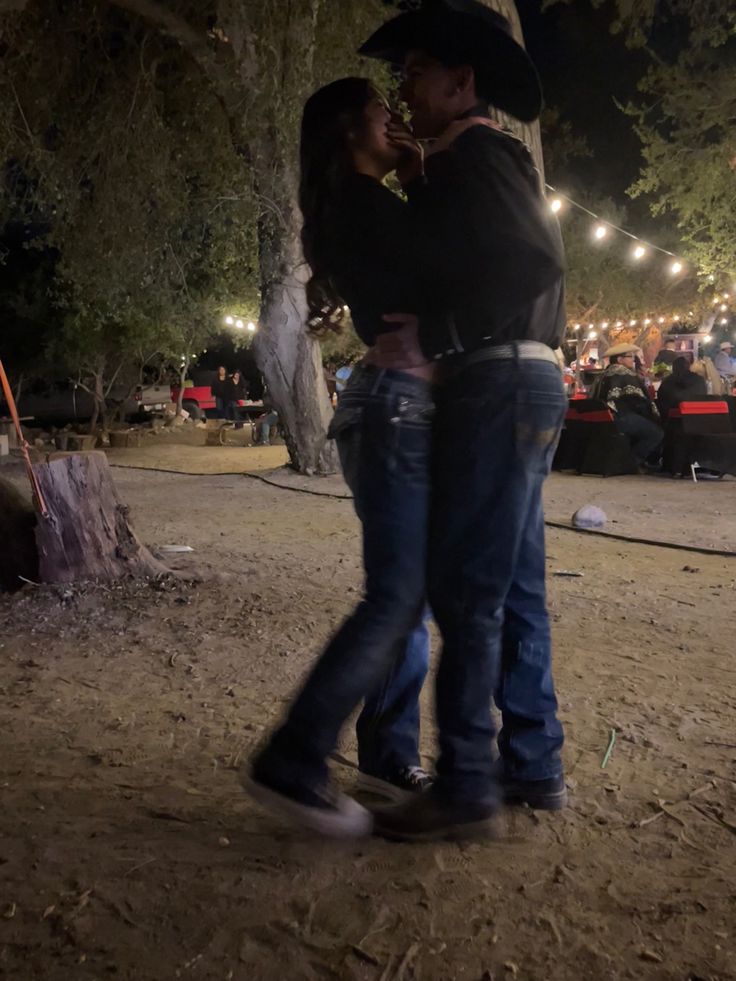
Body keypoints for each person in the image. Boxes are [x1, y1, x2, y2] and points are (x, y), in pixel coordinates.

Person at [357, 0, 568, 839]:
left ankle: (468, 781)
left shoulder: (479, 153)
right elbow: (488, 253)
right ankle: (535, 763)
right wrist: (422, 181)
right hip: (526, 381)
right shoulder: (479, 161)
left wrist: (440, 333)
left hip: (496, 382)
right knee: (514, 584)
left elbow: (532, 259)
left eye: (412, 73)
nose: (402, 90)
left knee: (468, 590)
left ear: (460, 81)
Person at [244, 76, 440, 836]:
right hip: (395, 408)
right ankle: (295, 755)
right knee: (396, 597)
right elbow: (438, 273)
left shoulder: (355, 208)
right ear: (351, 131)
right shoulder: (365, 206)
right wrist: (428, 182)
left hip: (386, 406)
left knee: (407, 594)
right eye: (383, 113)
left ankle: (386, 750)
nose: (396, 122)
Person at [591, 343, 663, 467]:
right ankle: (631, 462)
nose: (633, 360)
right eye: (630, 356)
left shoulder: (603, 374)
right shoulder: (625, 373)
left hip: (605, 419)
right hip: (621, 418)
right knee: (657, 433)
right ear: (620, 359)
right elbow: (640, 400)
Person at [656, 356, 707, 422]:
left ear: (673, 368)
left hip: (671, 423)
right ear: (688, 367)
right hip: (696, 421)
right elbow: (704, 398)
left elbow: (660, 400)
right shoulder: (700, 380)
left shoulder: (666, 382)